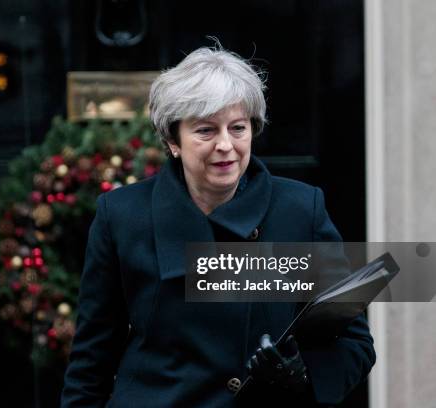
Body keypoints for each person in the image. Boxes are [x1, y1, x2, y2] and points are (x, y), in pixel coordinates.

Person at [60, 45, 375, 407]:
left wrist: (302, 374)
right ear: (172, 141)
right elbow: (91, 360)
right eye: (206, 130)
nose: (226, 145)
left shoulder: (301, 210)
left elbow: (355, 342)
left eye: (237, 128)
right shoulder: (122, 216)